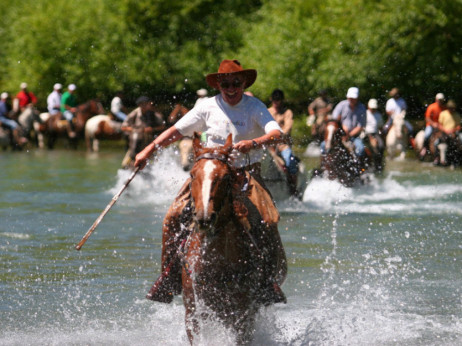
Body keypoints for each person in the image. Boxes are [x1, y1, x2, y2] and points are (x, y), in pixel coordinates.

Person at [134, 59, 287, 305]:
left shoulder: (254, 106)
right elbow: (176, 131)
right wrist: (148, 150)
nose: (231, 87)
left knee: (267, 219)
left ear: (243, 82)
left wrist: (255, 143)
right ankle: (168, 278)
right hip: (208, 173)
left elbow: (277, 133)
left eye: (236, 82)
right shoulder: (206, 107)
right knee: (172, 217)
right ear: (218, 84)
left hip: (243, 173)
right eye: (225, 83)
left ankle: (267, 281)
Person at [267, 89, 300, 197]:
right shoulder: (267, 111)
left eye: (278, 100)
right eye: (275, 100)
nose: (276, 102)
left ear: (282, 100)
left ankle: (293, 189)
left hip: (282, 144)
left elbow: (288, 127)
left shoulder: (287, 112)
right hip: (267, 143)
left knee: (289, 159)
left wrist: (278, 135)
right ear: (271, 100)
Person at [323, 87, 367, 163]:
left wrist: (349, 134)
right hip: (339, 134)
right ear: (347, 97)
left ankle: (359, 169)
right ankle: (324, 166)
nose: (351, 100)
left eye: (353, 98)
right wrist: (343, 128)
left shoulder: (362, 108)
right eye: (350, 98)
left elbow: (360, 126)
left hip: (354, 136)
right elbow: (334, 119)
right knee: (323, 145)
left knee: (360, 149)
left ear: (357, 98)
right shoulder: (341, 105)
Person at [121, 96, 166, 168]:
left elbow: (163, 127)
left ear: (149, 104)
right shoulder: (134, 114)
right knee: (124, 164)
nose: (144, 106)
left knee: (159, 162)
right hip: (136, 143)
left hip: (151, 142)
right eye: (142, 104)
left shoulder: (155, 115)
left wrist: (153, 129)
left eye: (146, 104)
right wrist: (136, 130)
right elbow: (123, 127)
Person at [433, 99, 461, 165]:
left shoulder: (457, 115)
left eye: (452, 108)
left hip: (454, 132)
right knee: (435, 143)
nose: (451, 109)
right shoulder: (443, 113)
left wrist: (453, 130)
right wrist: (445, 130)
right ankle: (436, 158)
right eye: (450, 108)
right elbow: (439, 124)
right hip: (444, 132)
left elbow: (459, 126)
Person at [421, 93, 447, 159]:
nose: (440, 101)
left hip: (441, 126)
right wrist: (433, 124)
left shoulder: (444, 108)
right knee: (427, 135)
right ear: (436, 99)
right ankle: (424, 148)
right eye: (439, 100)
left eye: (441, 100)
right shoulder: (431, 107)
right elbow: (427, 118)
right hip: (431, 125)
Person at [365, 98, 385, 172]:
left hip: (375, 133)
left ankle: (379, 163)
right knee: (373, 147)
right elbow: (363, 126)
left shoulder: (378, 115)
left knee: (381, 145)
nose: (373, 110)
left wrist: (381, 135)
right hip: (366, 134)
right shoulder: (365, 113)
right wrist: (369, 137)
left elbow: (380, 127)